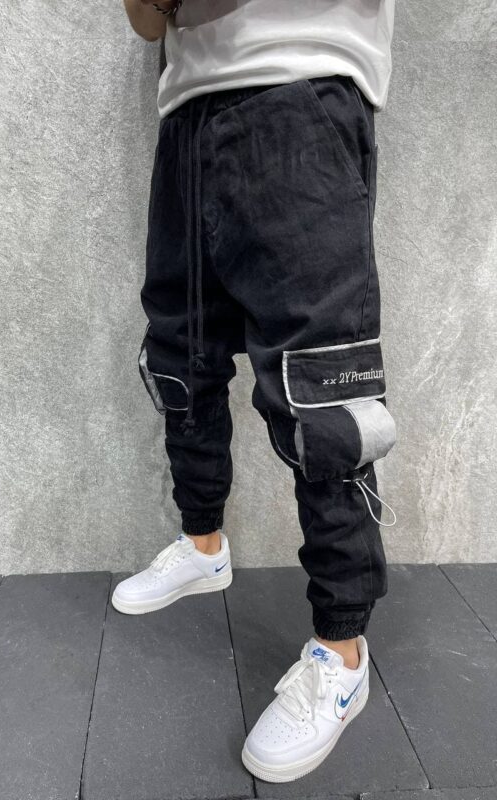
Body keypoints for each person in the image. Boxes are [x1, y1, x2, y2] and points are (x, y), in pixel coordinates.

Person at [117, 0, 397, 785]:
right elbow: (147, 23)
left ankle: (343, 650)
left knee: (322, 393)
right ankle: (203, 546)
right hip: (185, 118)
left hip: (298, 91)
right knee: (182, 356)